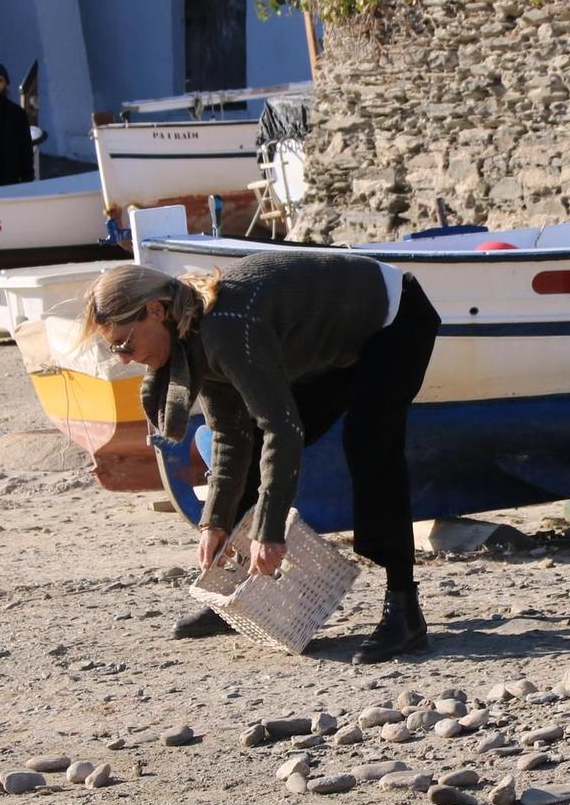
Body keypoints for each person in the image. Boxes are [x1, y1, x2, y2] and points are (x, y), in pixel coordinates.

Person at [81, 252, 440, 661]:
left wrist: (269, 532)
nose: (125, 359)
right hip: (339, 342)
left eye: (125, 344)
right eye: (115, 351)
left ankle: (404, 610)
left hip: (395, 321)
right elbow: (232, 437)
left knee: (370, 445)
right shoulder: (190, 337)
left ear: (155, 311)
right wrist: (214, 522)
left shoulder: (226, 329)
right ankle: (238, 592)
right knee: (247, 438)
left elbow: (283, 430)